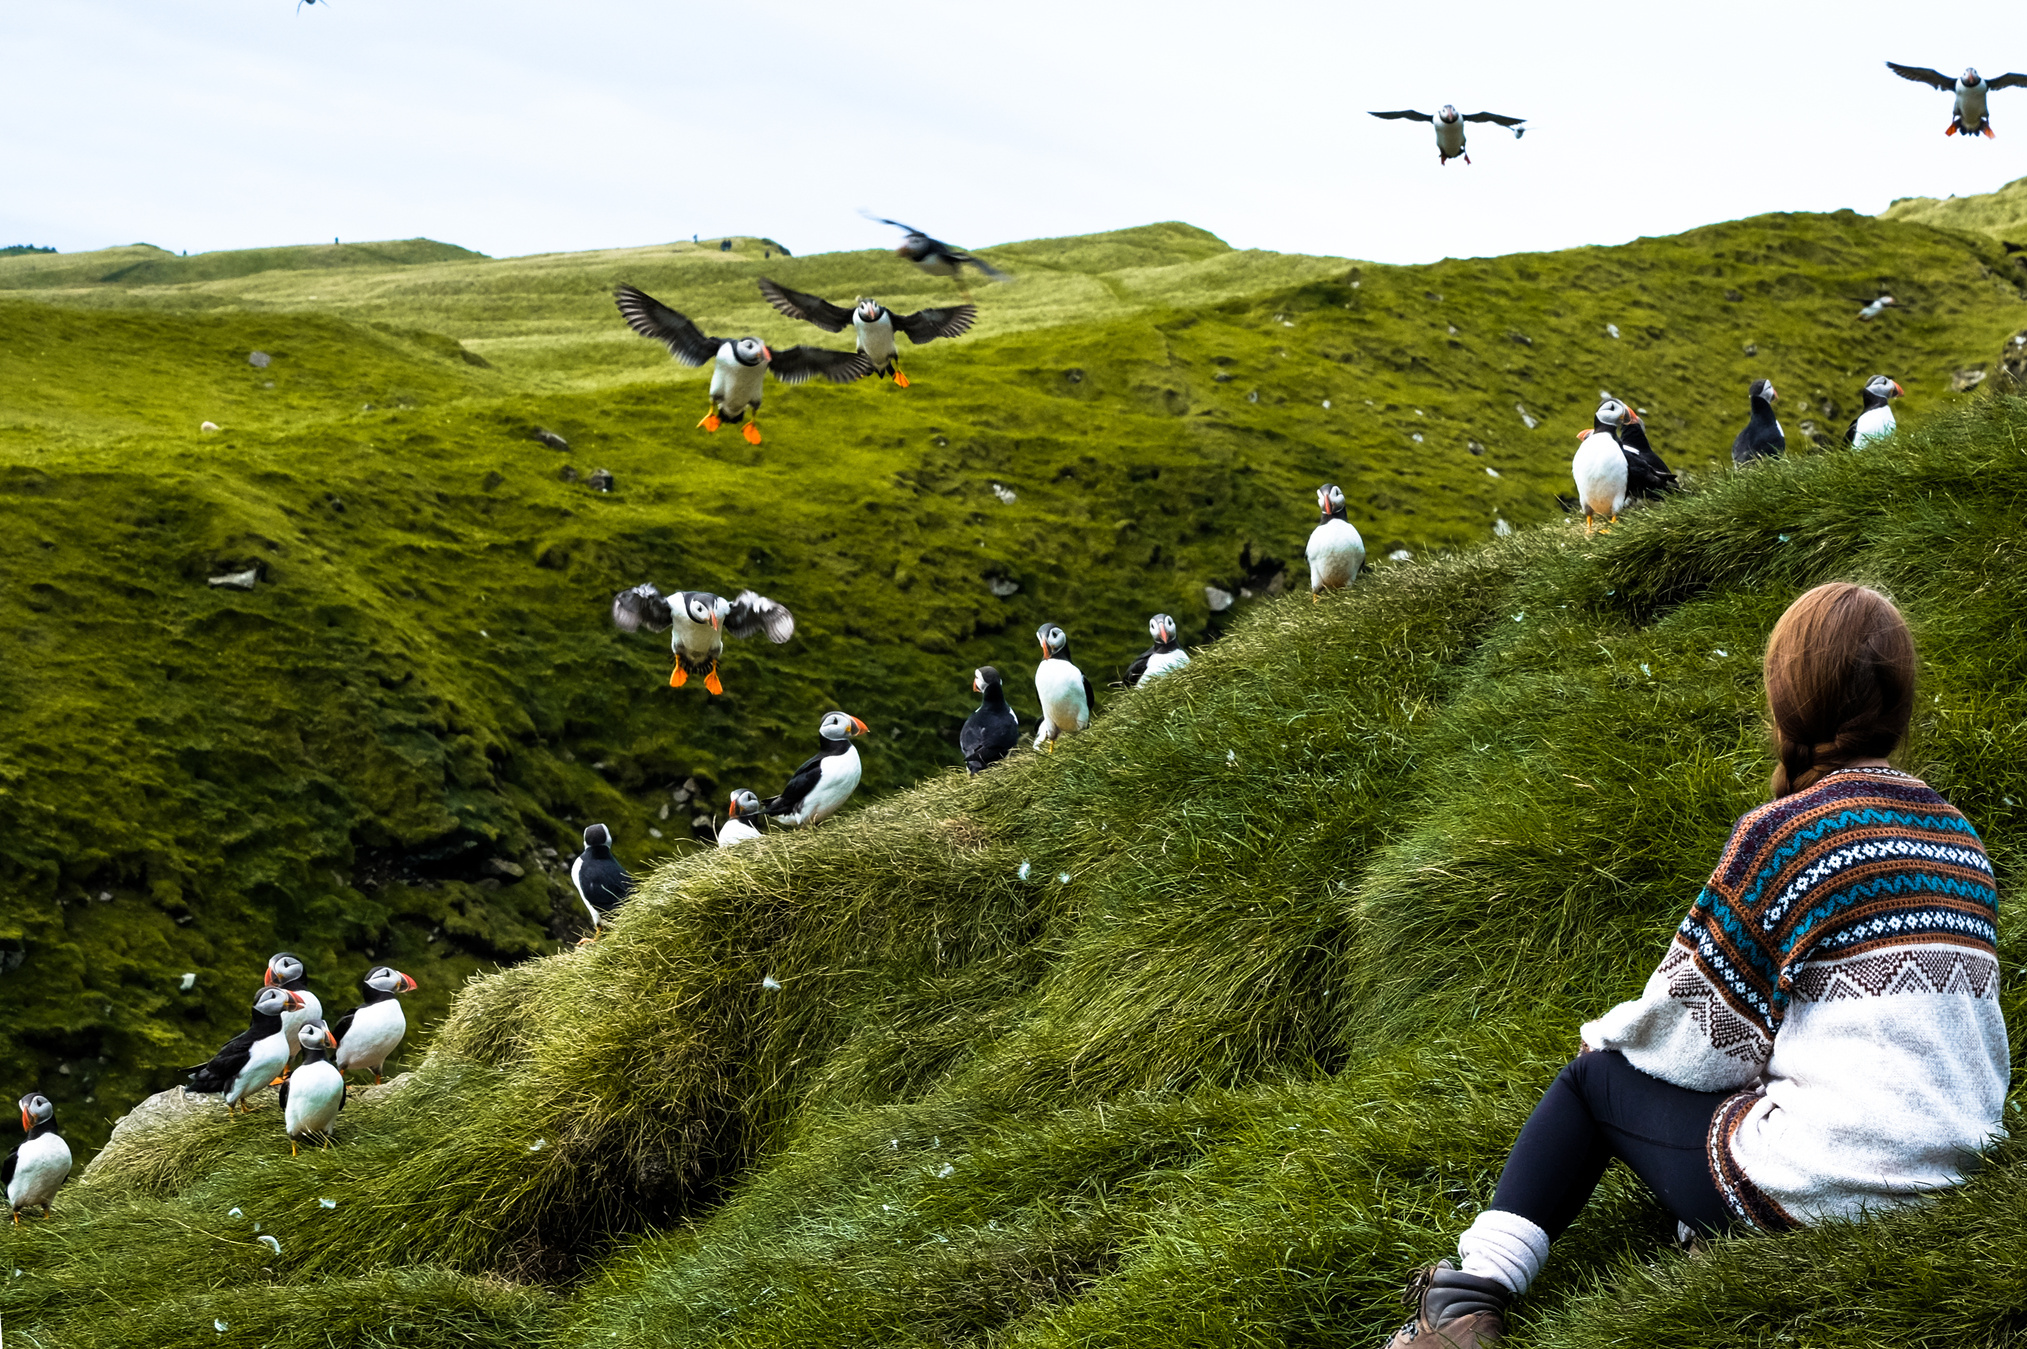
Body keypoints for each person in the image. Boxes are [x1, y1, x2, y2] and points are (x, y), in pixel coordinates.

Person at [1386, 582, 2006, 1348]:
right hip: (1953, 1165)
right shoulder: (1961, 842)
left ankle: (1463, 1296)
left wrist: (1606, 1042)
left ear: (1784, 701)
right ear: (1898, 705)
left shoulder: (1785, 834)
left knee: (1593, 1083)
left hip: (1838, 1175)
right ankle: (1707, 1231)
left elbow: (1690, 1033)